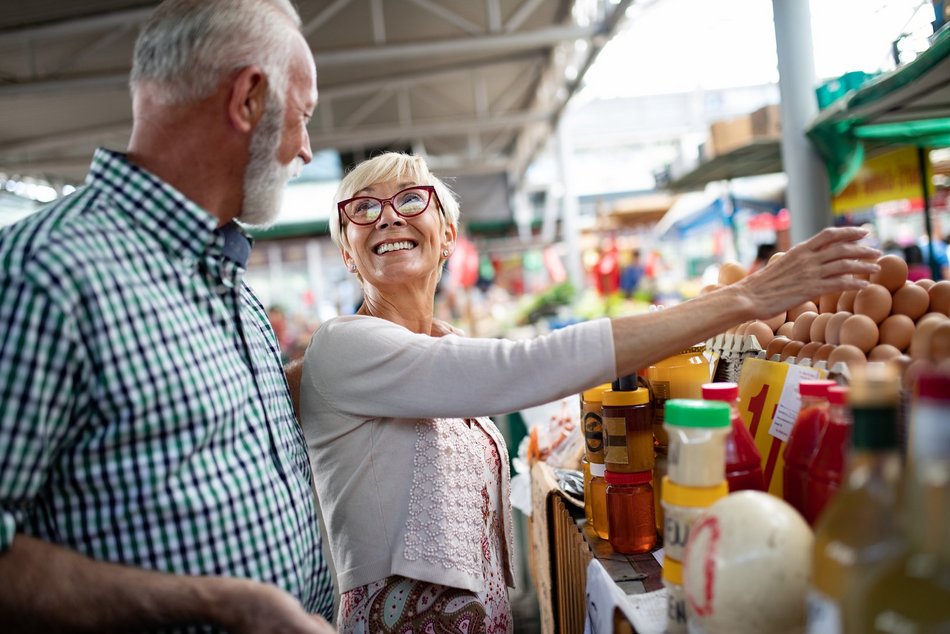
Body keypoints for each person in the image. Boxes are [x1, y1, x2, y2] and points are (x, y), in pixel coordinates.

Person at [297, 152, 881, 633]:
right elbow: (526, 365)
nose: (387, 218)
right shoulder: (347, 347)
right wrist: (749, 297)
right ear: (347, 252)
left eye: (409, 200)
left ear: (447, 237)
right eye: (363, 208)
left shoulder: (443, 344)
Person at [0, 1, 334, 632]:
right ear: (248, 100)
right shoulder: (44, 276)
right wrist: (217, 606)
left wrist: (357, 358)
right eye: (304, 116)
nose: (307, 149)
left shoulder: (225, 274)